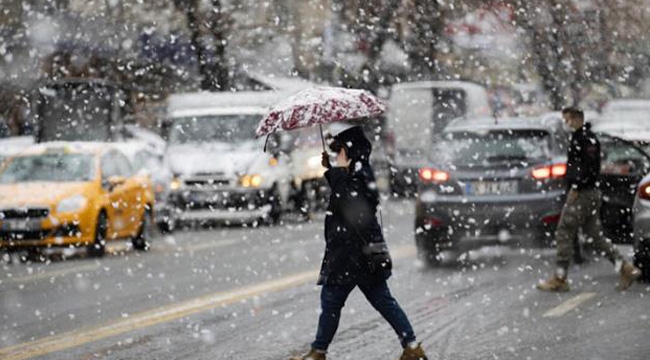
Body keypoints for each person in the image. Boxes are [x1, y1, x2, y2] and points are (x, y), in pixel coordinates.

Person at [290, 126, 427, 360]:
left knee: (332, 301)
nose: (336, 155)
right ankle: (412, 347)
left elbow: (348, 200)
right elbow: (347, 194)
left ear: (349, 151)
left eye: (338, 151)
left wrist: (334, 172)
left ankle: (318, 352)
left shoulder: (360, 174)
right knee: (382, 301)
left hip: (352, 255)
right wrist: (332, 169)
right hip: (361, 253)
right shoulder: (358, 171)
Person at [537, 107, 641, 292]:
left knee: (564, 231)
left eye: (567, 120)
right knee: (594, 236)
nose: (565, 124)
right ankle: (625, 267)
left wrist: (577, 186)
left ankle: (560, 277)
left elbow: (585, 167)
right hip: (591, 192)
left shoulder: (582, 139)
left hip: (583, 193)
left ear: (577, 118)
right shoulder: (587, 137)